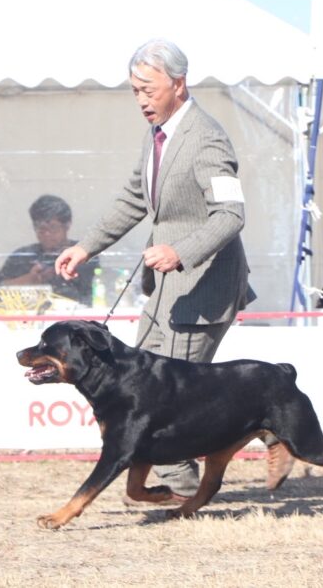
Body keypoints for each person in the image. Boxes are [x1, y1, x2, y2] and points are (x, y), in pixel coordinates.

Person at [54, 38, 292, 498]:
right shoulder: (157, 135)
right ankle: (249, 441)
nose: (141, 100)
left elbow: (231, 215)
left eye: (148, 89)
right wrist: (85, 247)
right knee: (137, 389)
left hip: (203, 288)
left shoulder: (207, 139)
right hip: (165, 289)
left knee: (171, 401)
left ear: (179, 84)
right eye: (135, 91)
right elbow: (134, 199)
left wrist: (181, 251)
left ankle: (189, 487)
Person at [0, 194, 98, 304]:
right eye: (41, 228)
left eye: (53, 227)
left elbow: (95, 289)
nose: (47, 233)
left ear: (67, 225)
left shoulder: (81, 254)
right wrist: (30, 279)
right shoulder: (23, 257)